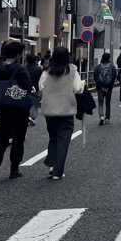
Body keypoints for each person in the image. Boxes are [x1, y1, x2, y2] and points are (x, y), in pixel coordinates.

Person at [0, 40, 33, 183]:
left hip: (2, 106)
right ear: (18, 54)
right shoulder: (19, 69)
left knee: (1, 137)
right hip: (19, 108)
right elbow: (27, 85)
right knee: (18, 138)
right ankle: (14, 169)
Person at [38, 46, 84, 180]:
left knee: (53, 137)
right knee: (63, 140)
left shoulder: (47, 70)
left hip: (49, 109)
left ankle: (52, 164)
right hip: (66, 109)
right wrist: (82, 84)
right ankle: (57, 171)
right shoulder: (72, 70)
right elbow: (77, 88)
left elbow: (41, 86)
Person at [94, 52, 117, 124]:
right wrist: (110, 86)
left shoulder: (98, 67)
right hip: (109, 87)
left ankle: (101, 116)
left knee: (100, 103)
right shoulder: (112, 67)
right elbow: (114, 77)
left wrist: (100, 86)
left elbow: (95, 77)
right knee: (107, 103)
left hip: (100, 87)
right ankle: (107, 118)